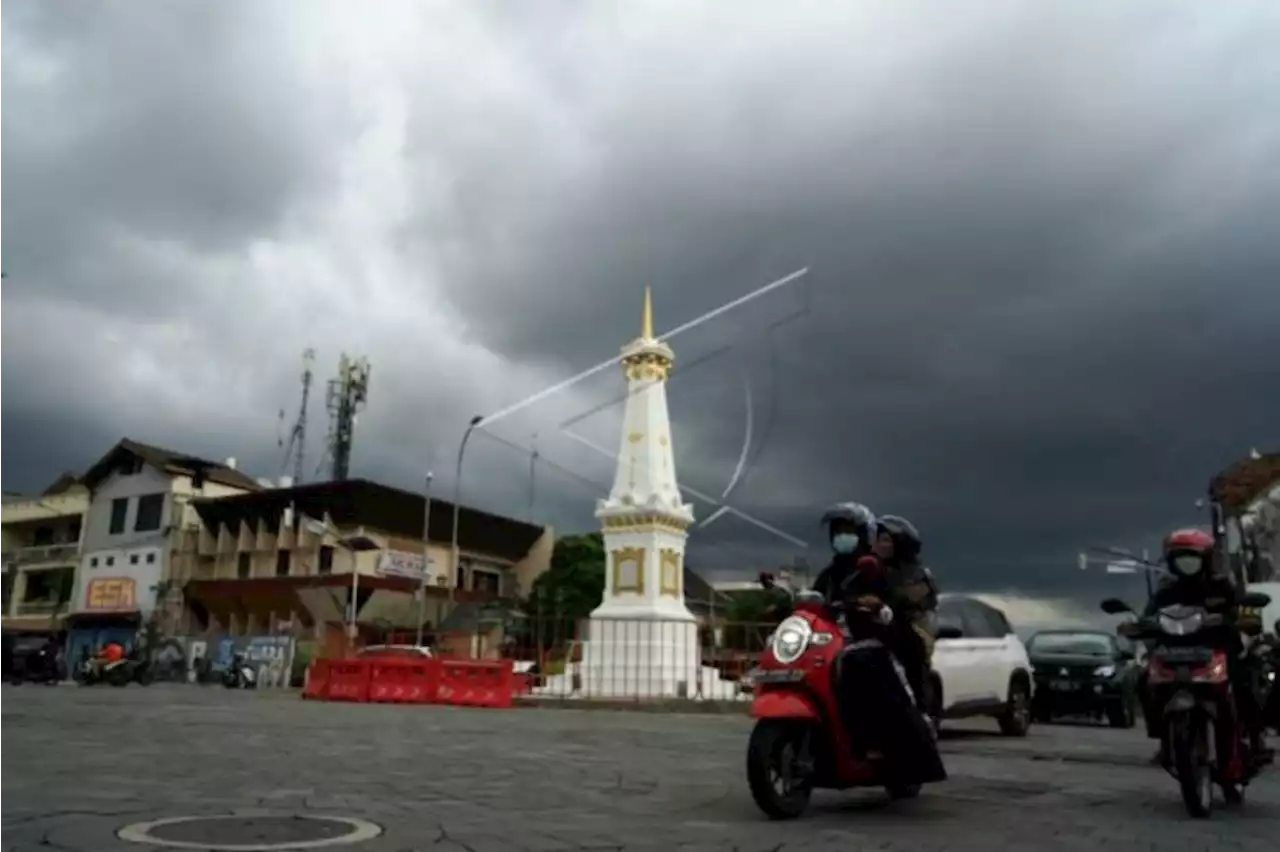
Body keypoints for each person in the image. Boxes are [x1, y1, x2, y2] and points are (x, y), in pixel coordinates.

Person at [1139, 528, 1270, 763]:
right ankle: (1163, 736)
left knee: (1244, 678)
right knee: (1144, 679)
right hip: (1174, 651)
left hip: (1218, 649)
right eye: (1180, 558)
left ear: (1206, 559)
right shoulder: (1167, 590)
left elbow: (1242, 608)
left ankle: (1256, 738)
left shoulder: (1221, 586)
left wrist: (1245, 618)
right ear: (1171, 561)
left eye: (1192, 557)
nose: (1186, 563)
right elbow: (1148, 615)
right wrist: (1140, 626)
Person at [876, 515, 939, 718]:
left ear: (900, 544)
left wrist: (883, 601)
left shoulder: (919, 574)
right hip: (875, 631)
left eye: (886, 540)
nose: (880, 545)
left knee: (913, 654)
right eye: (878, 539)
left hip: (909, 633)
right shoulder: (870, 568)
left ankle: (919, 716)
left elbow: (911, 598)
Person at [812, 502, 880, 604]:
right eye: (838, 532)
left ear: (864, 534)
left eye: (848, 531)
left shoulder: (875, 569)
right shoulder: (830, 574)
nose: (842, 535)